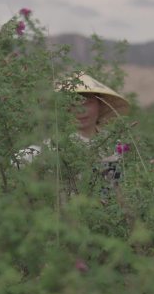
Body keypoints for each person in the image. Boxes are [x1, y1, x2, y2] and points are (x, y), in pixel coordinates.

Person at [14, 73, 130, 201]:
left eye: (88, 102)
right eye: (73, 103)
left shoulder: (113, 144)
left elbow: (116, 189)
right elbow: (21, 161)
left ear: (100, 104)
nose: (80, 110)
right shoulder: (55, 144)